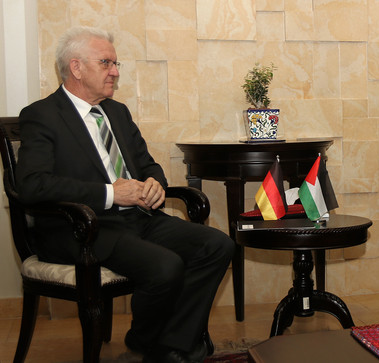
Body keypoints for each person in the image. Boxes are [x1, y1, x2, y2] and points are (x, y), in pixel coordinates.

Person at [15, 26, 235, 363]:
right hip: (82, 227)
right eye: (106, 63)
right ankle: (147, 343)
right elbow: (32, 185)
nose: (115, 72)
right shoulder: (42, 115)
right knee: (165, 266)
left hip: (138, 216)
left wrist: (155, 183)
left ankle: (168, 344)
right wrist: (109, 193)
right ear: (76, 67)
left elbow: (147, 163)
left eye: (116, 64)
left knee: (217, 245)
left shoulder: (116, 112)